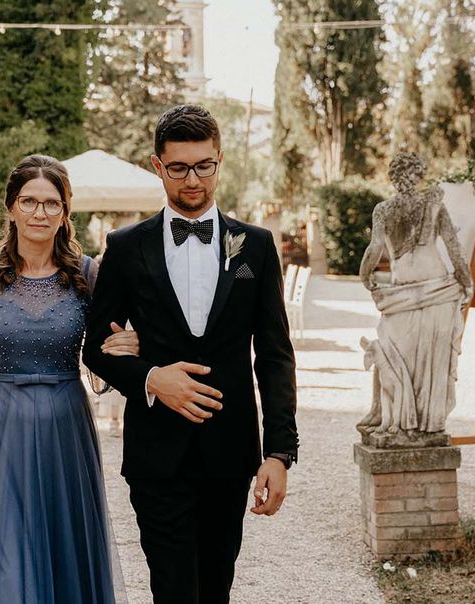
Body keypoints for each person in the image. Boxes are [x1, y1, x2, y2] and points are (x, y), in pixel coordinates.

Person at [83, 104, 299, 604]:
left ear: (220, 161)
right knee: (174, 590)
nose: (193, 179)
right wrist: (150, 377)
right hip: (156, 455)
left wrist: (279, 453)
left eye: (205, 165)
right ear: (157, 165)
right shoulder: (126, 246)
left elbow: (274, 355)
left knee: (215, 588)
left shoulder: (257, 247)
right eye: (179, 167)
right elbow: (95, 346)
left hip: (230, 450)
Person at [0, 154, 138, 604]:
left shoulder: (87, 274)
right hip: (0, 430)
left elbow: (105, 357)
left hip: (66, 427)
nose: (40, 212)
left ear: (66, 212)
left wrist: (129, 346)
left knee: (67, 548)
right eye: (29, 201)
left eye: (52, 203)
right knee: (6, 555)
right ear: (11, 207)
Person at [358, 151, 472, 442]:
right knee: (426, 362)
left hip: (419, 292)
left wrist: (365, 274)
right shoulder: (434, 206)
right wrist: (466, 282)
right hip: (434, 289)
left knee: (402, 356)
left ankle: (413, 424)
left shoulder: (384, 209)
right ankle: (422, 424)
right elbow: (455, 250)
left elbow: (374, 250)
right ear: (417, 175)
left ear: (395, 177)